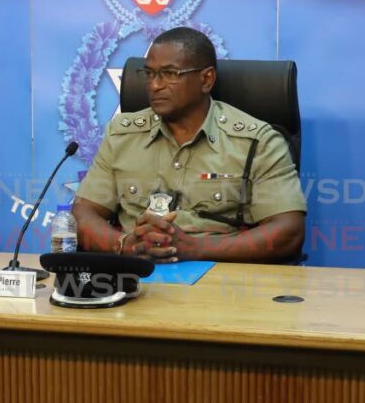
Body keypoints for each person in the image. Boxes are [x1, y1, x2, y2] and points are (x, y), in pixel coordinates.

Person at [72, 27, 306, 264]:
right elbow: (85, 212)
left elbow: (288, 230)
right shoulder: (122, 134)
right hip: (135, 275)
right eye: (150, 74)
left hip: (220, 281)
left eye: (170, 74)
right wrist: (126, 245)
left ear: (206, 79)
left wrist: (196, 248)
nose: (154, 85)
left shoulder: (256, 141)